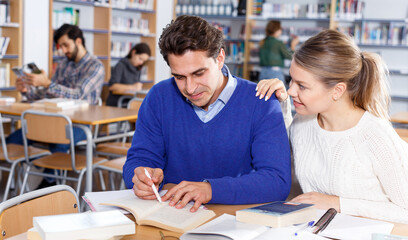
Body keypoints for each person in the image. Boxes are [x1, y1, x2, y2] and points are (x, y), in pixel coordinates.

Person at [123, 15, 291, 212]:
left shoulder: (261, 101)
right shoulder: (159, 97)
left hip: (235, 222)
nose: (191, 88)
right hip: (172, 217)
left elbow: (277, 180)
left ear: (220, 58)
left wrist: (211, 189)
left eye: (198, 73)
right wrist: (140, 176)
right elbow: (139, 159)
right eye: (179, 77)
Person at [256, 29, 408, 223]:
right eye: (291, 80)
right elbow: (283, 156)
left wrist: (339, 203)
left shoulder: (376, 135)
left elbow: (405, 210)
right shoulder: (303, 122)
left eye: (302, 86)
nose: (291, 90)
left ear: (337, 91)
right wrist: (280, 106)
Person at [7, 23, 105, 153]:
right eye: (60, 46)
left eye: (66, 45)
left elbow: (78, 94)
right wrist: (27, 91)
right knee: (12, 141)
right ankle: (36, 162)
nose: (63, 50)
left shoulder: (96, 66)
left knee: (57, 143)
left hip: (80, 124)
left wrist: (47, 83)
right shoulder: (63, 64)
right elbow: (49, 94)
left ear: (78, 41)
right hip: (55, 119)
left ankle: (48, 171)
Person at [258, 20, 298, 85]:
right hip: (275, 73)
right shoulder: (279, 43)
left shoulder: (262, 42)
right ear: (277, 30)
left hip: (263, 72)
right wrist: (293, 45)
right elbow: (291, 56)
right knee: (279, 93)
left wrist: (283, 45)